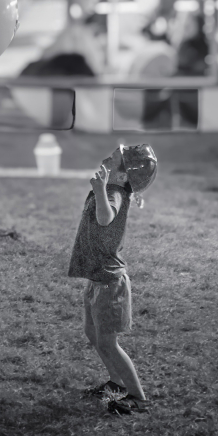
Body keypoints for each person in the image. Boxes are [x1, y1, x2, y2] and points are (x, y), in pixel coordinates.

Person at [69, 144, 158, 415]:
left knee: (108, 342)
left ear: (122, 173)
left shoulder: (114, 192)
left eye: (114, 157)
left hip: (109, 282)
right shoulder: (115, 189)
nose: (107, 157)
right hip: (98, 278)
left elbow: (105, 219)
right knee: (92, 333)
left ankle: (138, 398)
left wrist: (100, 190)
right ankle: (116, 383)